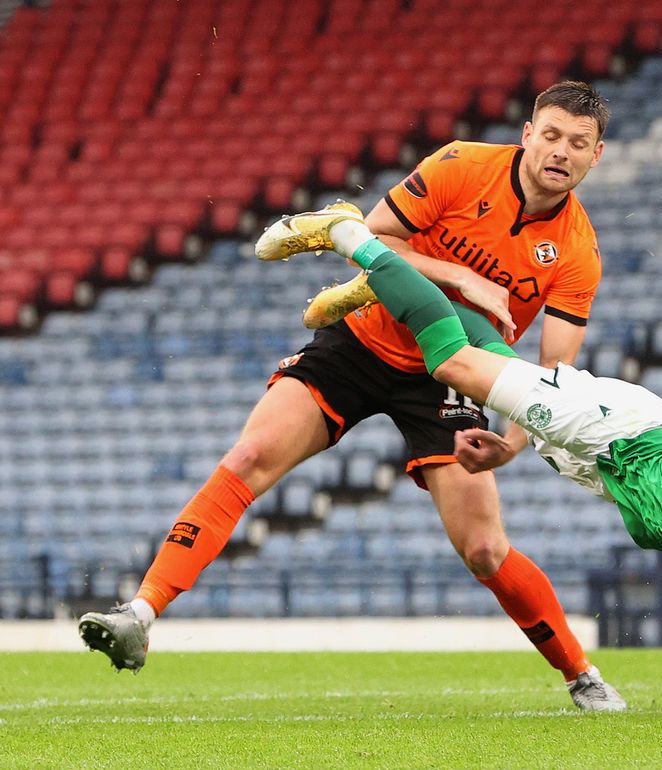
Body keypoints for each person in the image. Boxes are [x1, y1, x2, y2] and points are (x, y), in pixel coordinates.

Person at [79, 82, 626, 711]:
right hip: (362, 342)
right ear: (528, 134)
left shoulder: (578, 254)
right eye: (551, 135)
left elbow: (551, 379)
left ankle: (581, 675)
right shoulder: (460, 165)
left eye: (577, 144)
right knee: (249, 457)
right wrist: (461, 276)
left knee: (484, 549)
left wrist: (510, 445)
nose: (560, 152)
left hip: (448, 374)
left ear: (596, 155)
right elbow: (375, 237)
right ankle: (140, 615)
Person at [245, 204, 662, 721]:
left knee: (491, 365)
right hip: (621, 431)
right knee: (455, 366)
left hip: (601, 471)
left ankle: (390, 285)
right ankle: (351, 233)